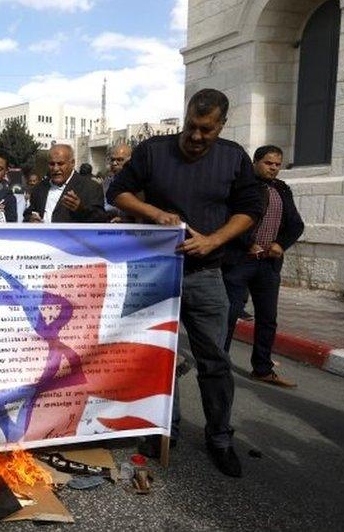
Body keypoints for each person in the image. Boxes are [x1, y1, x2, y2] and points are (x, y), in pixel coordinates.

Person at [107, 88, 264, 478]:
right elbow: (118, 192)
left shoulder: (234, 158)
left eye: (206, 130)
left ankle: (220, 437)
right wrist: (154, 213)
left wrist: (213, 239)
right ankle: (164, 429)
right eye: (192, 126)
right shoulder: (152, 151)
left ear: (221, 126)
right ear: (186, 116)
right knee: (156, 355)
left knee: (214, 361)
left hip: (206, 275)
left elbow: (250, 210)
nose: (196, 137)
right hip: (155, 272)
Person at [222, 145, 304, 387]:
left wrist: (281, 244)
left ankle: (262, 368)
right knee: (229, 314)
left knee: (267, 318)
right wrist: (247, 243)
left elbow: (296, 224)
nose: (274, 168)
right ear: (256, 162)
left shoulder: (282, 189)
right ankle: (219, 364)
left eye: (278, 164)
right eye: (269, 163)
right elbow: (228, 220)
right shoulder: (241, 187)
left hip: (268, 265)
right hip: (240, 261)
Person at [24, 144, 108, 223]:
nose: (55, 168)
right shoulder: (40, 188)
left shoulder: (90, 187)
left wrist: (80, 209)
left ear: (72, 163)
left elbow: (100, 219)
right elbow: (28, 213)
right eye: (52, 164)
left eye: (60, 164)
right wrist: (31, 219)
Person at [103, 143, 131, 215]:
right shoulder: (107, 182)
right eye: (112, 160)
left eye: (120, 160)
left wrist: (124, 218)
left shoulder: (138, 183)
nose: (114, 163)